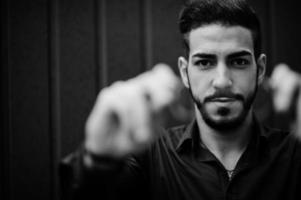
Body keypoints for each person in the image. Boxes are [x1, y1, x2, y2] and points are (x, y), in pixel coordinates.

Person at [60, 0, 301, 200]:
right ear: (185, 73)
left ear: (259, 70)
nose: (222, 81)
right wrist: (96, 161)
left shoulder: (295, 154)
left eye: (238, 61)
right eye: (205, 62)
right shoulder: (148, 158)